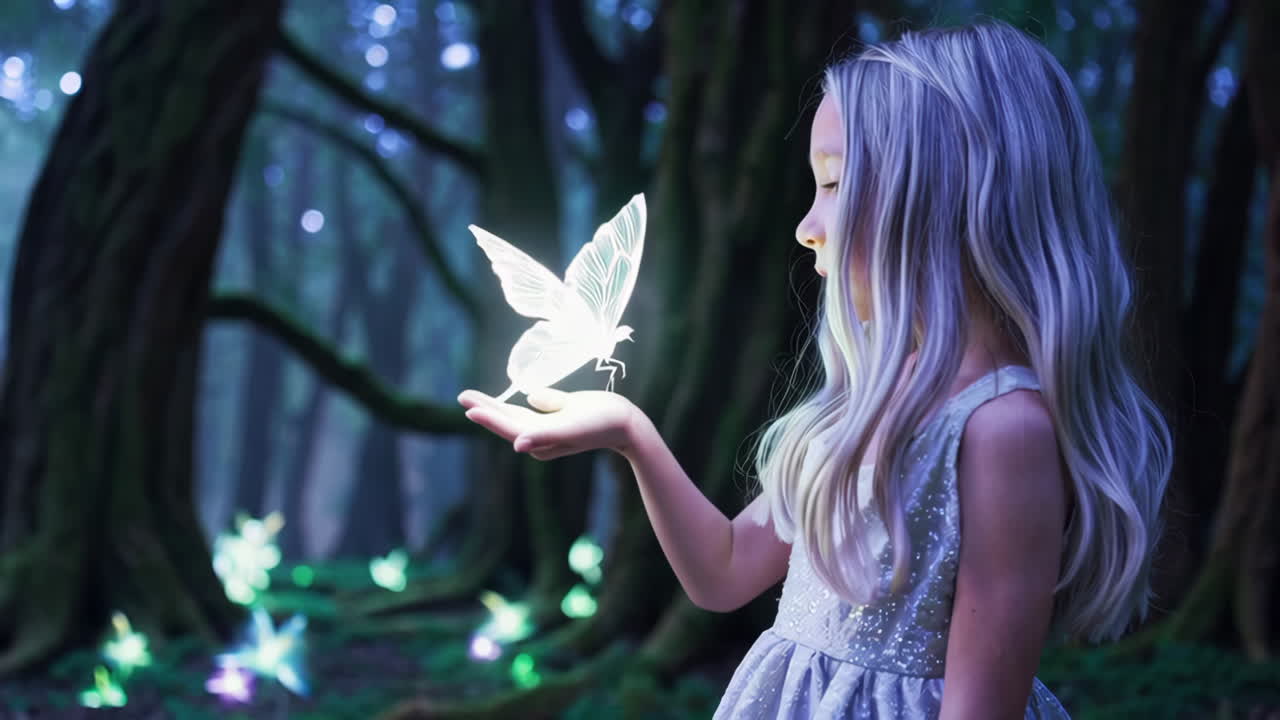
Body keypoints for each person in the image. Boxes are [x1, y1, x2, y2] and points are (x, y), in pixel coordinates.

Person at [457, 20, 1172, 719]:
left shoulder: (1002, 431)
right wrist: (630, 433)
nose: (806, 226)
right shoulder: (868, 401)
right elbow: (724, 571)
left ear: (939, 196)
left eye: (833, 184)